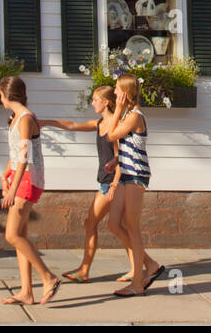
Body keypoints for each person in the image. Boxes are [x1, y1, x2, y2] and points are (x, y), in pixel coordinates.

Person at [40, 86, 162, 285]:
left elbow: (121, 157)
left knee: (93, 223)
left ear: (105, 102)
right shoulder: (99, 123)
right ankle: (141, 265)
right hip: (107, 182)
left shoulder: (118, 124)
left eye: (95, 99)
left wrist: (114, 184)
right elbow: (72, 125)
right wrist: (47, 122)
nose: (92, 103)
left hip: (113, 183)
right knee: (116, 226)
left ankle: (86, 269)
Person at [0, 76, 61, 306]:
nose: (0, 98)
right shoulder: (16, 118)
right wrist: (5, 174)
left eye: (0, 94)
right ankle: (26, 292)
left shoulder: (25, 119)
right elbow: (15, 154)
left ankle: (48, 276)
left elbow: (24, 157)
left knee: (12, 235)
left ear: (7, 95)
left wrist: (12, 189)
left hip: (28, 180)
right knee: (20, 236)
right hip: (19, 177)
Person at [103, 73, 166, 297]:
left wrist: (118, 109)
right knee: (113, 223)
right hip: (126, 172)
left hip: (137, 175)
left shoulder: (135, 116)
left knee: (132, 228)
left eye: (117, 88)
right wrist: (116, 160)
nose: (114, 92)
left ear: (125, 93)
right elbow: (127, 144)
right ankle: (150, 264)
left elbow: (110, 136)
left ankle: (138, 283)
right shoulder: (128, 115)